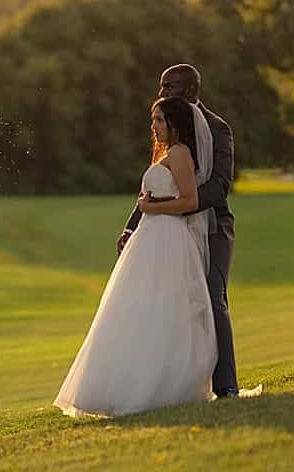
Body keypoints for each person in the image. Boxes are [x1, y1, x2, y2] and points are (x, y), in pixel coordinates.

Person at [52, 96, 219, 417]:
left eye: (159, 120)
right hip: (151, 238)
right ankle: (120, 384)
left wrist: (150, 207)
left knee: (161, 307)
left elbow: (189, 201)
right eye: (153, 119)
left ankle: (158, 386)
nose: (153, 126)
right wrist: (144, 213)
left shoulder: (181, 154)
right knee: (136, 306)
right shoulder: (168, 155)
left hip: (168, 239)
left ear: (175, 123)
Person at [120, 64, 240, 398]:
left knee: (213, 297)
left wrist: (181, 207)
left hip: (213, 226)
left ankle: (226, 386)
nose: (162, 94)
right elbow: (155, 187)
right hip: (168, 230)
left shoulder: (218, 128)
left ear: (190, 91)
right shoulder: (167, 128)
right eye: (161, 87)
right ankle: (175, 384)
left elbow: (219, 186)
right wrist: (133, 227)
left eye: (169, 88)